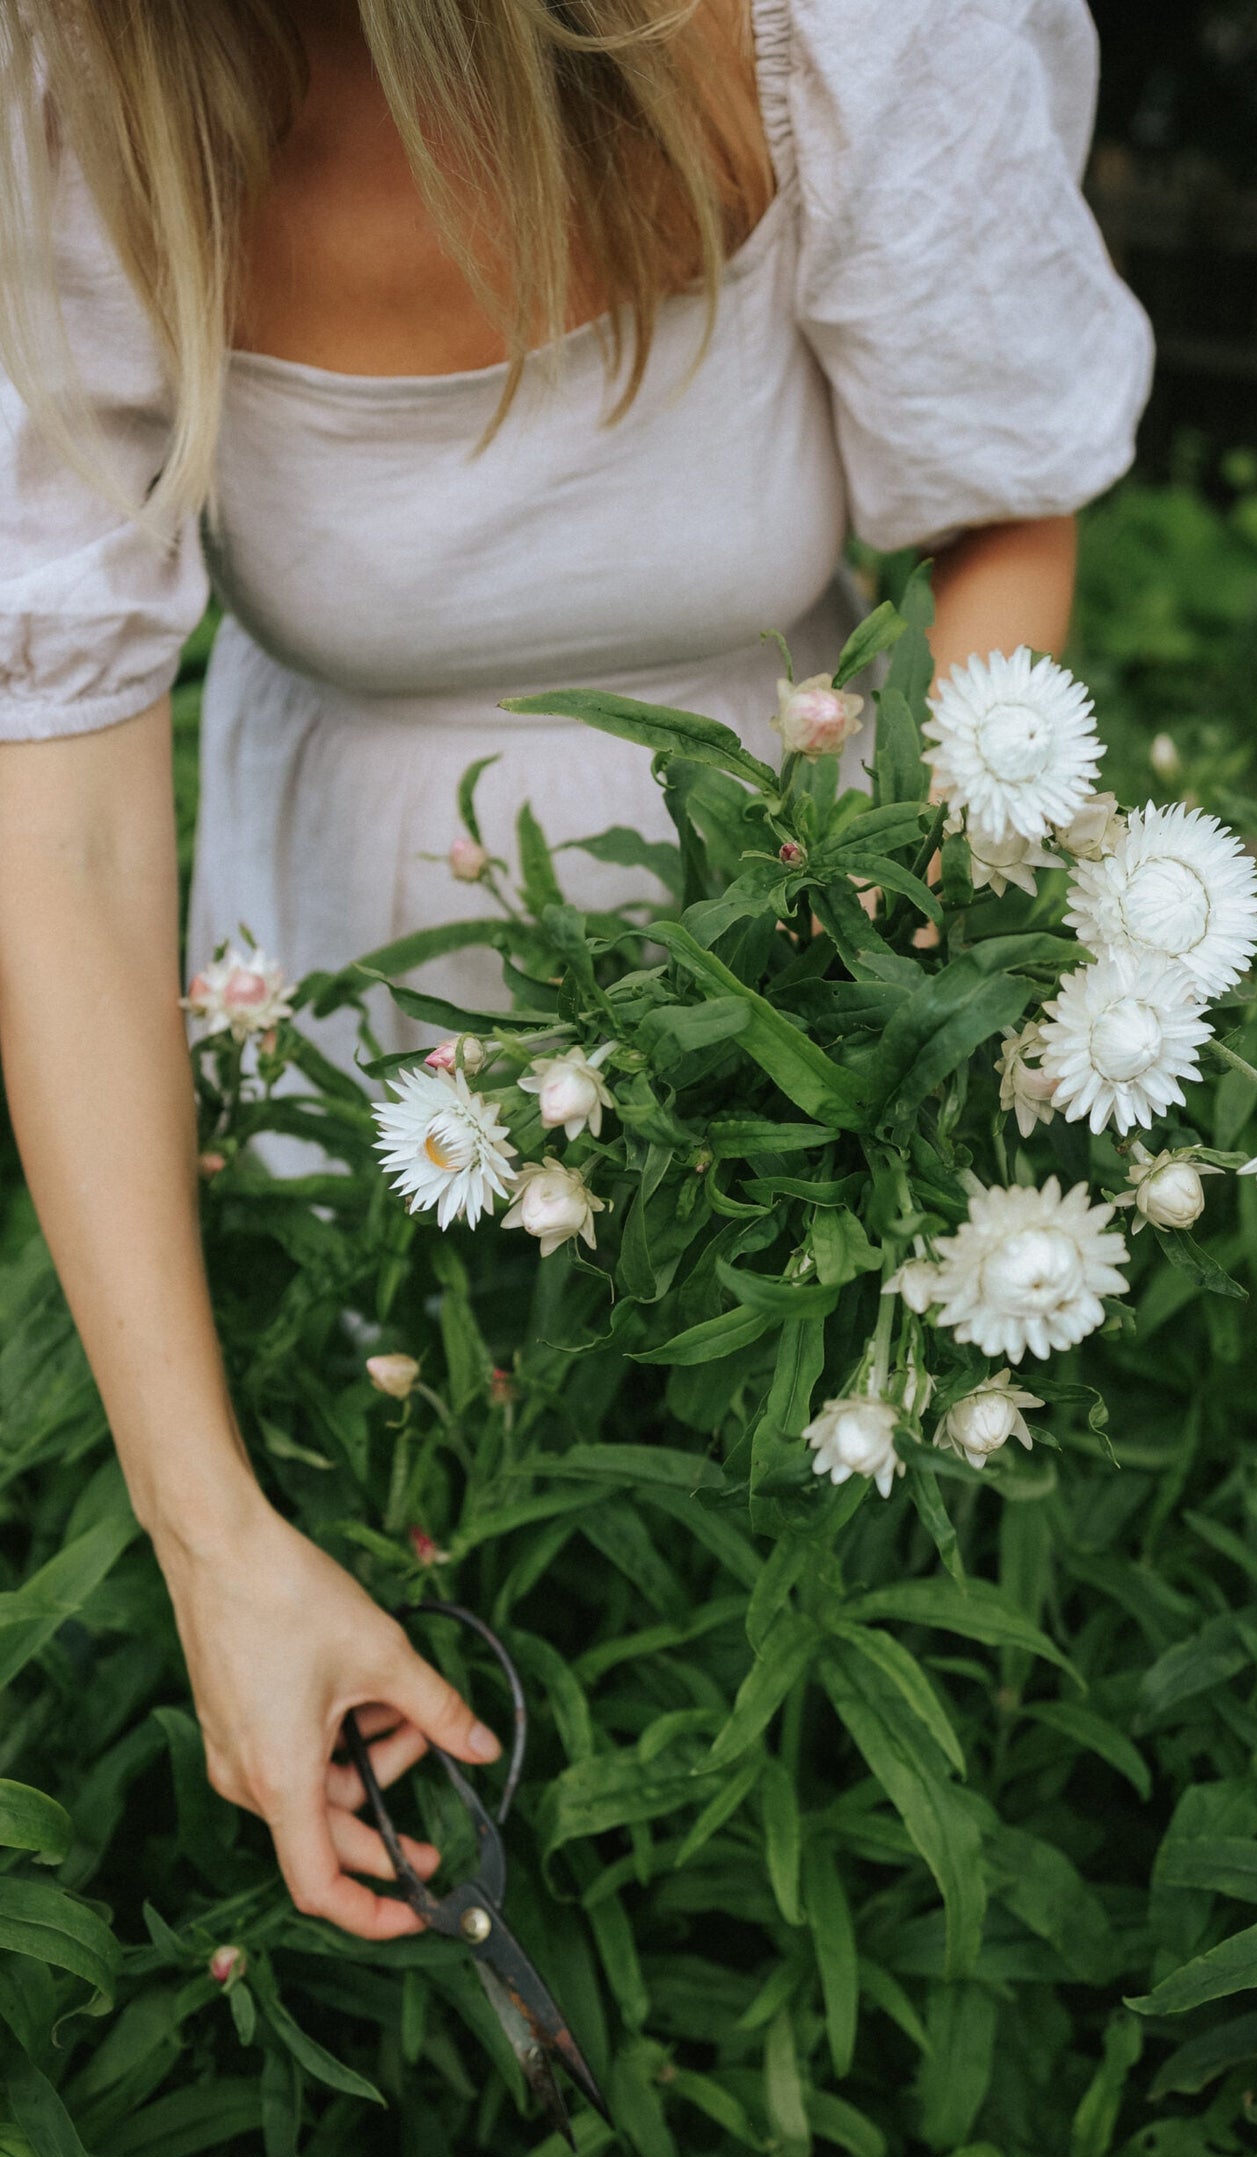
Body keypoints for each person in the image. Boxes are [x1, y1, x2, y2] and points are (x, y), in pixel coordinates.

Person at [0, 0, 1152, 1939]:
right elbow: (62, 794)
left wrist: (909, 1020)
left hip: (787, 985)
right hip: (342, 989)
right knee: (404, 1491)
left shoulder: (835, 32)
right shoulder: (78, 62)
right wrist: (213, 1539)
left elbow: (998, 505)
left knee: (772, 1697)